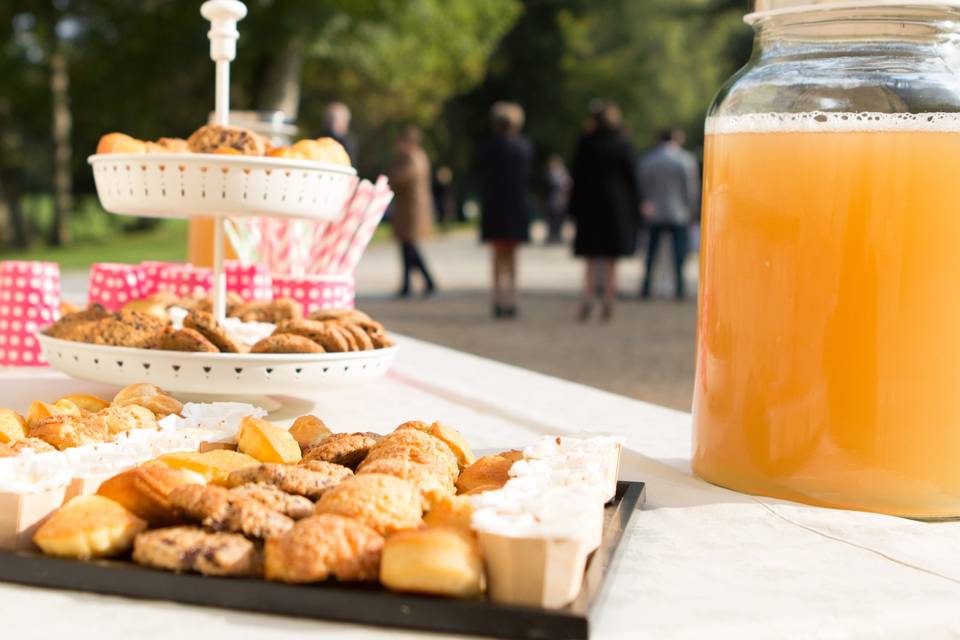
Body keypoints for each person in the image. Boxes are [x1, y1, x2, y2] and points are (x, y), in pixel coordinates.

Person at [569, 102, 640, 322]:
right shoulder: (623, 143)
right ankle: (609, 296)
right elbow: (632, 179)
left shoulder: (585, 143)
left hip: (590, 204)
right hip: (615, 205)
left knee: (591, 257)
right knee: (611, 257)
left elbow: (576, 176)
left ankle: (588, 295)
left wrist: (573, 207)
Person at [478, 102, 534, 319]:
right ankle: (512, 297)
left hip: (495, 206)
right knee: (512, 256)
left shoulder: (489, 147)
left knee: (497, 255)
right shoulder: (523, 147)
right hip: (515, 206)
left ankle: (497, 297)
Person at [638, 129, 700, 300]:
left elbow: (641, 186)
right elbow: (691, 189)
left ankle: (646, 287)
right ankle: (679, 288)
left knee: (651, 253)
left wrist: (644, 205)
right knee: (679, 254)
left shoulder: (648, 159)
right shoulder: (685, 159)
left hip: (654, 212)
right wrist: (692, 211)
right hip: (679, 212)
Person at [388, 126, 436, 298]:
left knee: (411, 247)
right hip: (407, 209)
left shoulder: (413, 158)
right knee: (407, 247)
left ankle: (426, 281)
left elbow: (398, 178)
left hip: (412, 210)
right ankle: (409, 283)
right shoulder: (413, 157)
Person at [544, 154, 571, 244]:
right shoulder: (549, 174)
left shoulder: (564, 173)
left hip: (562, 199)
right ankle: (551, 235)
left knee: (560, 219)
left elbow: (568, 185)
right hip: (552, 200)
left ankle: (557, 235)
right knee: (551, 219)